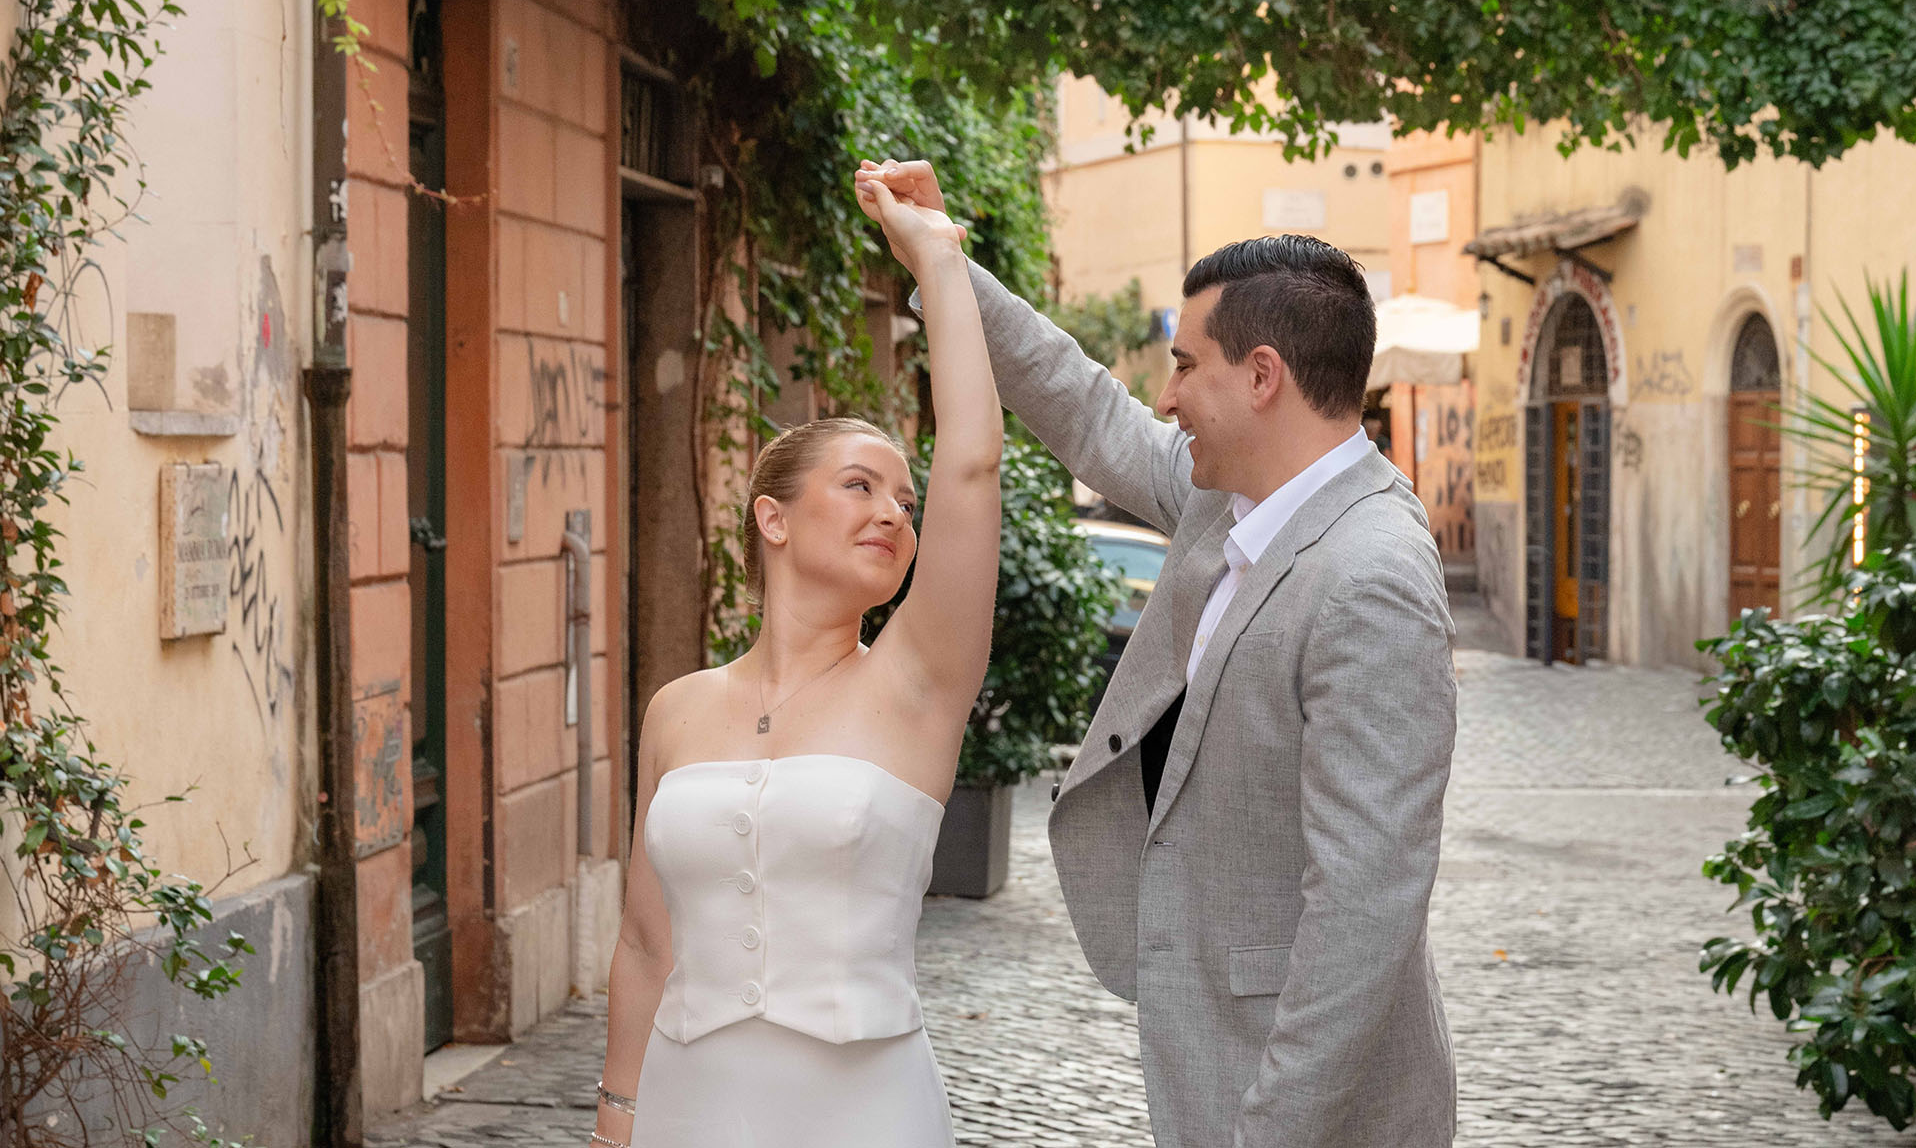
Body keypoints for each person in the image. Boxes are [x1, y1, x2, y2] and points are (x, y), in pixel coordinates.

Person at [870, 158, 1457, 1148]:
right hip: (1215, 1059)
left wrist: (1269, 1132)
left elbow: (1366, 907)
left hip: (1304, 1108)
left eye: (1186, 365)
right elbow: (1088, 409)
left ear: (1262, 376)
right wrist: (941, 262)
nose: (1168, 394)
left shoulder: (1372, 575)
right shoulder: (1232, 500)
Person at [588, 171, 999, 1148]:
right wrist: (616, 1117)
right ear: (773, 518)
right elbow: (645, 941)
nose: (892, 512)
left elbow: (973, 463)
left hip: (867, 1115)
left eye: (905, 502)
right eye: (860, 485)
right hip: (687, 1111)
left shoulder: (917, 683)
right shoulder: (676, 710)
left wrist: (936, 256)